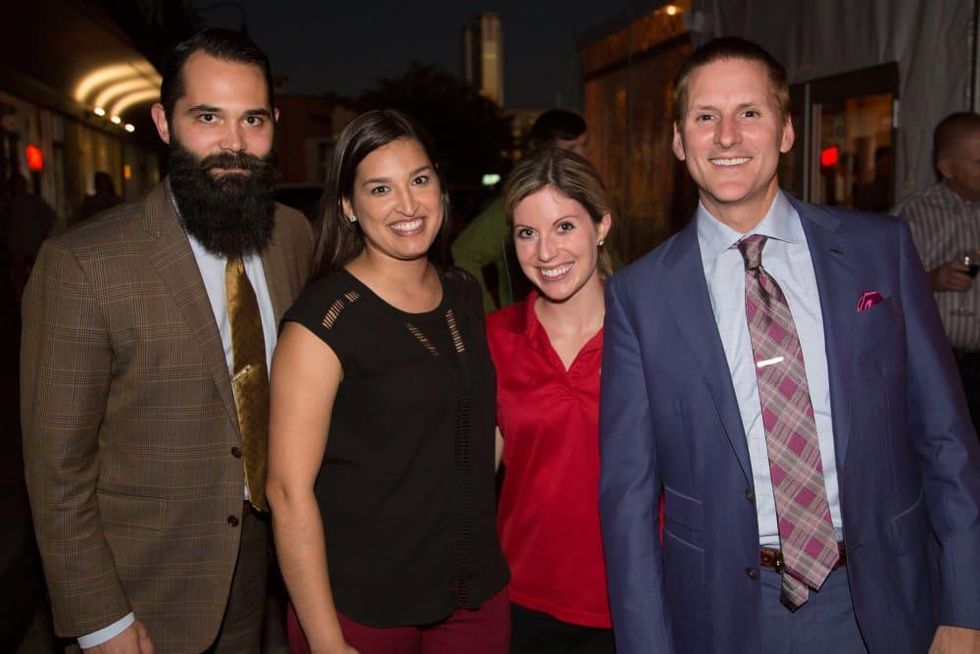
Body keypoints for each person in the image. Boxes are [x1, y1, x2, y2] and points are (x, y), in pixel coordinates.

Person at [599, 37, 980, 654]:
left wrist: (966, 607)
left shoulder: (878, 251)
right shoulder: (638, 298)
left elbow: (946, 440)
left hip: (884, 596)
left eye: (749, 112)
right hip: (728, 613)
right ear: (679, 141)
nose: (727, 136)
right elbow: (628, 500)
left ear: (785, 130)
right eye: (705, 116)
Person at [21, 28, 313, 653]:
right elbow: (56, 471)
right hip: (144, 588)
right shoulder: (83, 265)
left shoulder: (292, 235)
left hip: (260, 567)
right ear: (163, 122)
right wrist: (100, 621)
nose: (234, 143)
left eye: (253, 119)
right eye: (208, 117)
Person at [267, 109, 510, 654]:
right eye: (381, 189)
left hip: (473, 594)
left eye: (419, 180)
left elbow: (476, 428)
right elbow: (287, 491)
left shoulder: (465, 292)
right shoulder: (322, 320)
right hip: (362, 608)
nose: (408, 205)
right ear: (349, 206)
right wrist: (326, 642)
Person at [487, 147, 614, 652]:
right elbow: (471, 478)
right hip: (523, 601)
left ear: (601, 226)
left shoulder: (647, 328)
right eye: (527, 233)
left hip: (636, 595)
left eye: (564, 227)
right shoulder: (496, 338)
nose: (545, 252)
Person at [452, 109, 599, 313]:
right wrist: (489, 318)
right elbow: (465, 251)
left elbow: (612, 263)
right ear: (545, 152)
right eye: (571, 148)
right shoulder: (519, 204)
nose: (582, 155)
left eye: (585, 145)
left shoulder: (589, 197)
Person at [899, 112, 980, 432]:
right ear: (947, 168)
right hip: (938, 367)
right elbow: (879, 288)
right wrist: (931, 280)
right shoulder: (911, 215)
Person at [4, 172, 55, 301]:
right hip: (17, 244)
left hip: (34, 242)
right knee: (19, 274)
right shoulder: (8, 204)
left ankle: (37, 299)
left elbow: (48, 217)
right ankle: (21, 299)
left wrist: (44, 231)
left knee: (37, 273)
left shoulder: (34, 201)